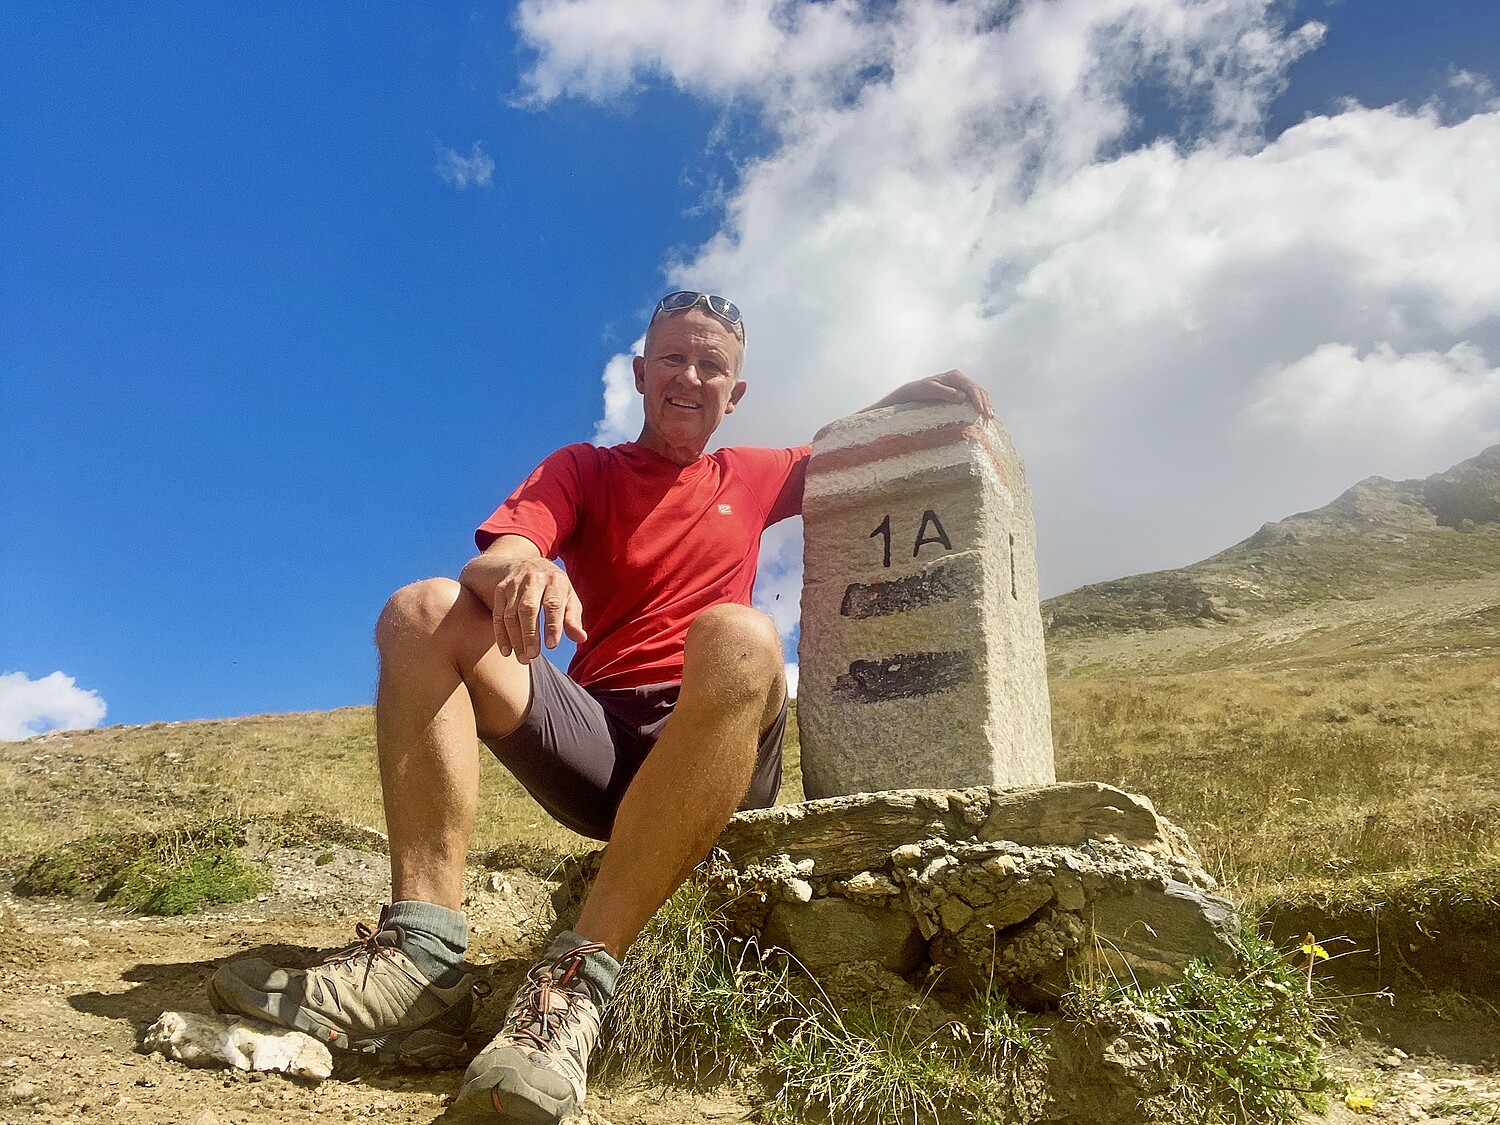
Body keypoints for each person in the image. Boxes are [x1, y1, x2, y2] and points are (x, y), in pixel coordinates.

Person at [207, 291, 993, 1121]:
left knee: (740, 632)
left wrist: (910, 393)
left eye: (712, 365)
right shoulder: (583, 469)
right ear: (639, 373)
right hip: (603, 741)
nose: (690, 377)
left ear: (737, 393)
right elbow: (507, 548)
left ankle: (575, 987)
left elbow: (844, 445)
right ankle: (420, 958)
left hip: (711, 741)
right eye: (673, 359)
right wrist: (525, 569)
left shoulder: (757, 474)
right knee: (420, 610)